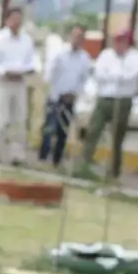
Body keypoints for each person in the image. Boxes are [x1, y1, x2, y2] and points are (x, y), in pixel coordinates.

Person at [82, 28, 138, 177]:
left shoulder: (137, 57)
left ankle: (113, 171)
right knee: (93, 130)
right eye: (117, 41)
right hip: (105, 97)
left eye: (122, 41)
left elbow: (132, 75)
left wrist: (113, 75)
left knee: (117, 136)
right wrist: (116, 76)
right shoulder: (106, 55)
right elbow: (99, 74)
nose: (118, 44)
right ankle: (84, 162)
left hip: (123, 99)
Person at [0, 7, 37, 166]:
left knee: (19, 120)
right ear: (7, 20)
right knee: (0, 120)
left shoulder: (26, 40)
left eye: (19, 19)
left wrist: (25, 70)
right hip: (2, 83)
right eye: (13, 18)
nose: (16, 22)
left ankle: (17, 156)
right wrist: (5, 72)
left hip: (19, 83)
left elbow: (32, 61)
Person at [39, 23, 91, 168]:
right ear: (70, 36)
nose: (77, 39)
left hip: (70, 99)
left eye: (80, 37)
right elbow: (51, 75)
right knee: (49, 129)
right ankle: (43, 158)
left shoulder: (85, 59)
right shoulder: (59, 54)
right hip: (55, 97)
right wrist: (57, 94)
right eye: (75, 35)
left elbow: (83, 80)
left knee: (62, 132)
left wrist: (74, 94)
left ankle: (56, 161)